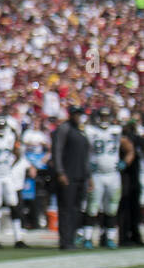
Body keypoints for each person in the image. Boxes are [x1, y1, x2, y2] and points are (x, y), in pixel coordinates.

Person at [82, 107, 124, 249]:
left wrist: (126, 161)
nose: (104, 119)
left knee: (112, 207)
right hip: (97, 174)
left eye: (107, 116)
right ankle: (87, 238)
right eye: (102, 116)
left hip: (113, 173)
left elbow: (129, 147)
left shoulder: (117, 130)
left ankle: (109, 238)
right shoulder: (90, 130)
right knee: (93, 207)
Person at [52, 107, 91, 250]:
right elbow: (57, 150)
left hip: (80, 175)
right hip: (68, 175)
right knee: (66, 208)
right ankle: (65, 240)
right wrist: (60, 172)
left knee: (76, 208)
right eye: (76, 114)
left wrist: (88, 175)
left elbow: (86, 155)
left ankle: (73, 238)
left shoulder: (81, 130)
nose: (78, 117)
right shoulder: (64, 129)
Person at [0, 116, 27, 248]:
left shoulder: (11, 136)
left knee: (14, 204)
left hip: (7, 175)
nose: (1, 129)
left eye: (3, 126)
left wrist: (10, 166)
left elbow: (17, 152)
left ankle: (18, 238)